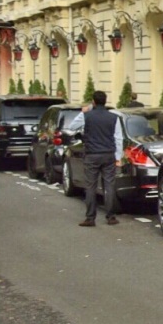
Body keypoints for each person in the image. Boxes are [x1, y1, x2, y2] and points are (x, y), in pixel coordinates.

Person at [69, 91, 124, 227]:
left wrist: (84, 111)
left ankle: (90, 218)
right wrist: (118, 157)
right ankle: (111, 216)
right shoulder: (114, 117)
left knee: (91, 186)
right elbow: (118, 138)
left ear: (93, 101)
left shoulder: (87, 116)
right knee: (109, 186)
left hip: (92, 155)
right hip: (108, 154)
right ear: (105, 101)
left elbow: (72, 127)